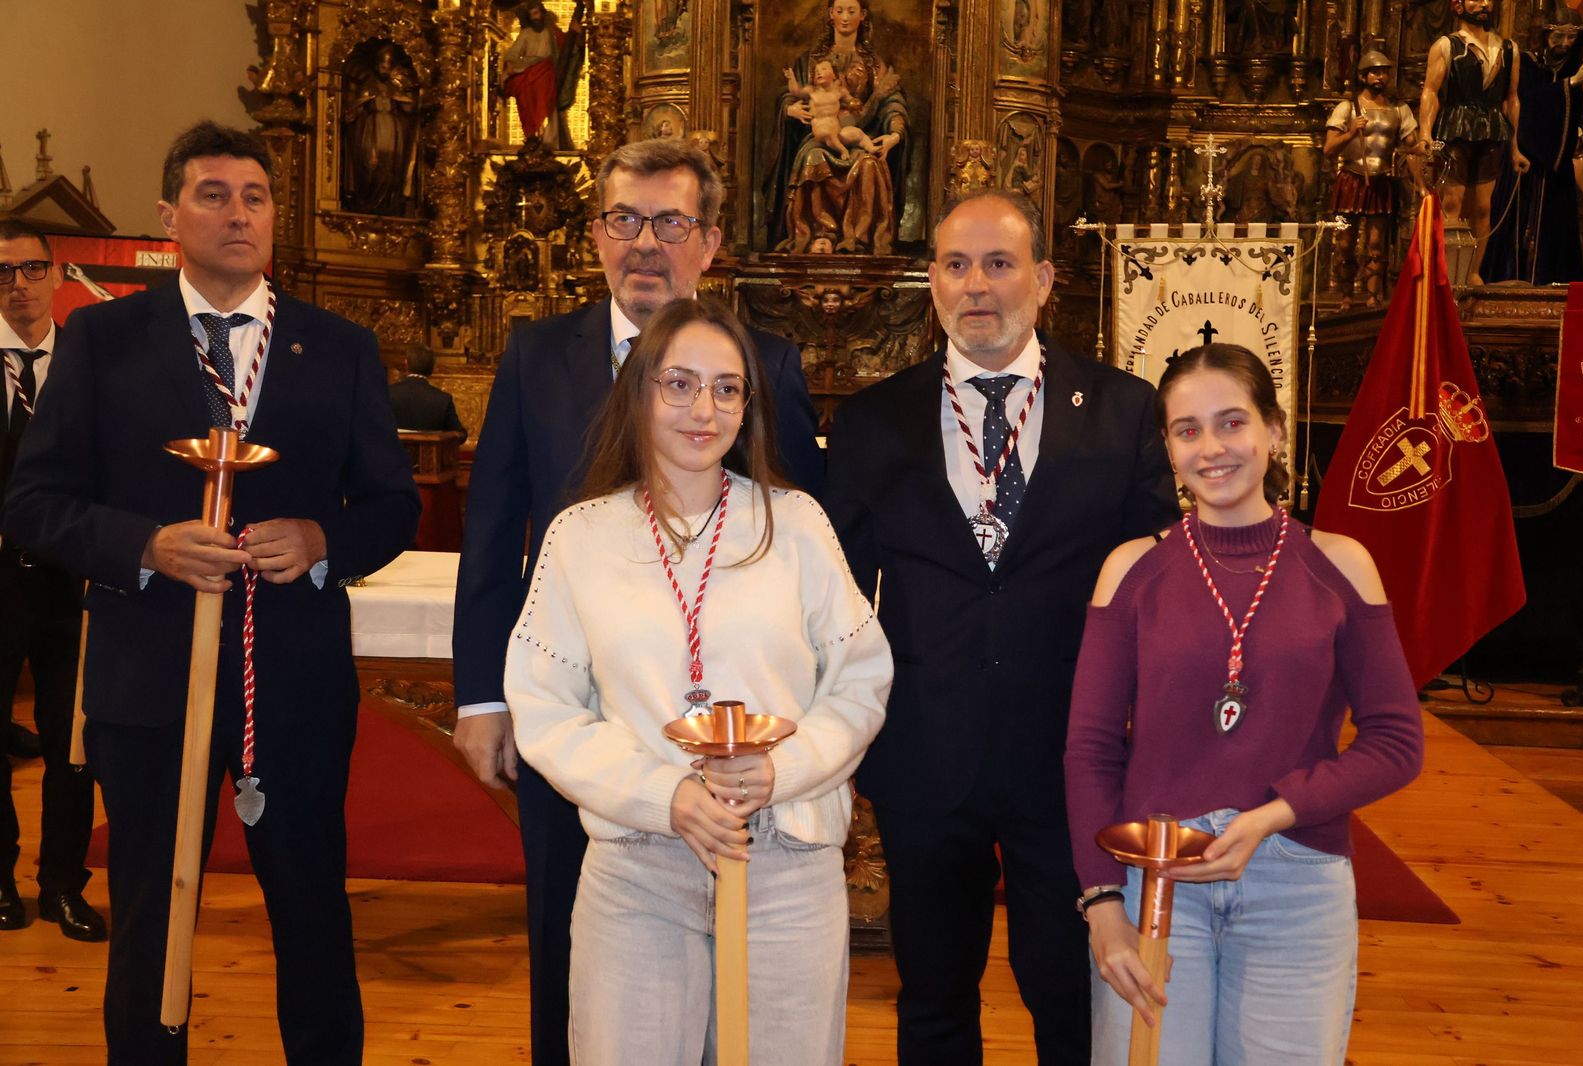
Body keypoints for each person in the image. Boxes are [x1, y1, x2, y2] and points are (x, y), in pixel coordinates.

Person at [2, 121, 420, 1064]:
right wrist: (144, 544)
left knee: (312, 906)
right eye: (214, 195)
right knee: (149, 909)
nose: (238, 214)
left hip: (296, 682)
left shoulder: (337, 347)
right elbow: (34, 503)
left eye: (255, 197)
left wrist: (321, 539)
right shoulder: (101, 340)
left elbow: (393, 506)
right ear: (169, 217)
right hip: (147, 676)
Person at [452, 136, 823, 1066]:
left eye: (672, 222)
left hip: (729, 733)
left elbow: (805, 538)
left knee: (735, 969)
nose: (646, 243)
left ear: (710, 242)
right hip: (582, 714)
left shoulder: (766, 362)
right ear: (596, 235)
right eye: (626, 221)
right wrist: (483, 697)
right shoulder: (538, 354)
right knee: (566, 938)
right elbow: (494, 534)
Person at [824, 188, 1178, 1065]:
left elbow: (1162, 592)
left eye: (999, 263)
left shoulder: (1128, 411)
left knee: (1068, 993)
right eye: (955, 265)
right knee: (933, 996)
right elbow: (826, 598)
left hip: (1071, 763)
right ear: (931, 282)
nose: (976, 285)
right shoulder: (873, 421)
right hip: (924, 758)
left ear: (1044, 278)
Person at [503, 296, 890, 1063]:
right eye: (679, 384)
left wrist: (781, 770)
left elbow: (860, 679)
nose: (702, 409)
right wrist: (665, 794)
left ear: (748, 407)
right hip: (639, 867)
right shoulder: (580, 537)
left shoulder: (797, 524)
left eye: (726, 388)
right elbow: (545, 710)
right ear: (639, 392)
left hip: (784, 859)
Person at [1065, 343, 1425, 1065]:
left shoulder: (1340, 564)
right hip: (1158, 876)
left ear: (1275, 432)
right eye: (1187, 429)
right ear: (1167, 446)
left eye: (1232, 422)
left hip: (1296, 878)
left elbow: (1396, 741)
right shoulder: (1131, 570)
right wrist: (1103, 905)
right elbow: (1091, 751)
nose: (1212, 448)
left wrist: (1273, 814)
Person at [0, 220, 102, 941]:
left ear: (58, 276)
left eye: (32, 270)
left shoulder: (87, 366)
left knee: (73, 745)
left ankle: (63, 884)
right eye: (3, 272)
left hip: (73, 589)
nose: (18, 285)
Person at [765, 0, 912, 253]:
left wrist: (894, 135)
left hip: (856, 136)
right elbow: (791, 94)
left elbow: (892, 103)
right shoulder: (810, 62)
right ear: (831, 14)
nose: (845, 17)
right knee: (813, 158)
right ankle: (818, 234)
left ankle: (857, 238)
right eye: (840, 11)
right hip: (819, 138)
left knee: (868, 165)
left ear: (862, 16)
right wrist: (790, 108)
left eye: (851, 11)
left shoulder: (874, 65)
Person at [1481, 11, 1583, 285]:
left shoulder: (1576, 67)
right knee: (1515, 230)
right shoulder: (1526, 63)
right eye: (1559, 36)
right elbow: (1526, 105)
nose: (1566, 43)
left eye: (1572, 36)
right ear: (1545, 35)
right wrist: (1571, 84)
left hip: (1557, 172)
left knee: (1555, 234)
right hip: (1524, 160)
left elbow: (1582, 122)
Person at [1419, 0, 1530, 285]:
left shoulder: (1508, 49)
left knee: (1483, 207)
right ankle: (1447, 269)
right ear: (1457, 6)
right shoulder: (1447, 45)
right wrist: (1425, 133)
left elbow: (1512, 98)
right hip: (1457, 126)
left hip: (1492, 129)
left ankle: (1472, 271)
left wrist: (1516, 146)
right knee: (1453, 202)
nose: (1482, 3)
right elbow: (1430, 91)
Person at [1323, 50, 1426, 308]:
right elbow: (1329, 148)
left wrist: (1422, 183)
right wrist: (1351, 133)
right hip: (1351, 178)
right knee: (1345, 243)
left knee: (1376, 243)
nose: (1380, 76)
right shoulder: (1347, 108)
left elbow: (1409, 149)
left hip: (1380, 180)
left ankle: (1372, 296)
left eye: (1384, 71)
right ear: (1363, 75)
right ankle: (1346, 296)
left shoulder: (1398, 110)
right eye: (1375, 71)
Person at [341, 43, 419, 215]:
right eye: (382, 65)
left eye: (388, 66)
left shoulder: (395, 86)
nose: (384, 69)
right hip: (372, 130)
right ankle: (366, 201)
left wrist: (407, 102)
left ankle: (387, 204)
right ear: (376, 66)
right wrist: (357, 109)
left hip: (392, 132)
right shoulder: (367, 85)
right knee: (370, 164)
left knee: (391, 166)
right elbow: (354, 108)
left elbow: (409, 110)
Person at [502, 0, 587, 148]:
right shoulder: (526, 33)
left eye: (536, 13)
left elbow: (569, 48)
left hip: (545, 73)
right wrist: (510, 65)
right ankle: (532, 138)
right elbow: (513, 53)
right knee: (527, 104)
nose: (535, 17)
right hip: (528, 73)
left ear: (542, 13)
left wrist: (577, 34)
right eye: (531, 15)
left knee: (545, 104)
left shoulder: (552, 32)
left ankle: (547, 142)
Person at [783, 61, 882, 157]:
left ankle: (871, 148)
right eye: (816, 71)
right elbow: (795, 91)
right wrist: (791, 77)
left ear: (834, 75)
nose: (818, 72)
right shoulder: (811, 91)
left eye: (823, 69)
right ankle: (843, 151)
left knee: (857, 133)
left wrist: (855, 103)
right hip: (821, 130)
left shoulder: (838, 91)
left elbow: (851, 100)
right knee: (828, 134)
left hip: (837, 131)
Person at [389, 343, 467, 434]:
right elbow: (459, 434)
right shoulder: (443, 399)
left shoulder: (389, 393)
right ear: (432, 368)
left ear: (406, 363)